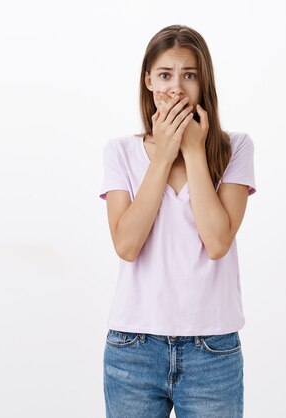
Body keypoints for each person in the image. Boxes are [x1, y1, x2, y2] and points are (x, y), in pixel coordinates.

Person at [98, 24, 256, 418]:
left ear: (204, 82)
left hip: (212, 352)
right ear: (148, 80)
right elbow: (127, 245)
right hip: (132, 349)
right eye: (166, 75)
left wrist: (194, 151)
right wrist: (164, 154)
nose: (177, 88)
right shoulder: (120, 152)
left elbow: (218, 242)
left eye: (189, 75)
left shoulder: (236, 147)